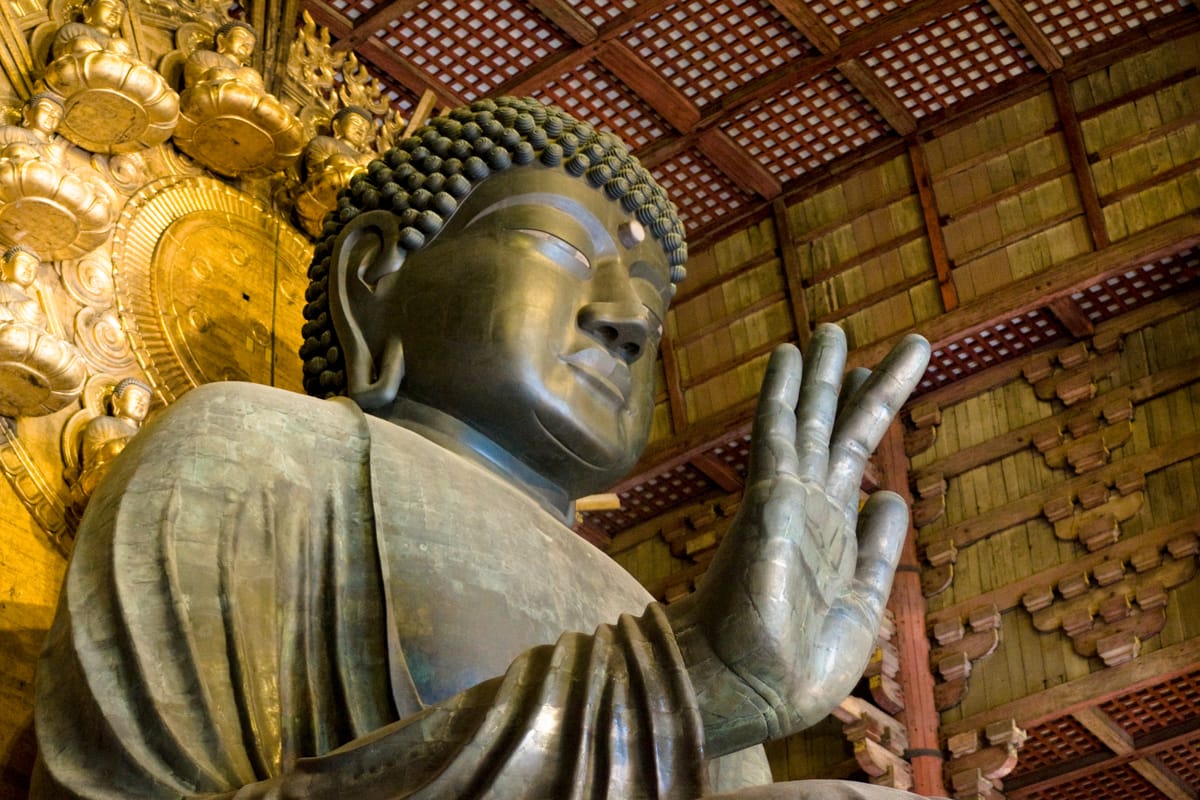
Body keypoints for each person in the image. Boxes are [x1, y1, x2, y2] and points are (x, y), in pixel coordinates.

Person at [33, 97, 936, 799]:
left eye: (652, 312)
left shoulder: (640, 611)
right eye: (559, 245)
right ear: (372, 278)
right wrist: (678, 689)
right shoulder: (258, 450)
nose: (626, 321)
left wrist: (699, 687)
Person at [68, 377, 152, 512]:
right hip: (99, 480)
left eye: (146, 401)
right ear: (116, 401)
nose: (141, 402)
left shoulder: (146, 435)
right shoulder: (103, 424)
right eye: (136, 396)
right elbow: (96, 459)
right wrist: (131, 445)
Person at [293, 106, 376, 236]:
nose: (361, 129)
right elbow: (315, 171)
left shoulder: (367, 157)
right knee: (342, 159)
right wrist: (346, 163)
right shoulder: (324, 142)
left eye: (365, 129)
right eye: (355, 123)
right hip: (322, 191)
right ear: (337, 126)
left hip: (352, 209)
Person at [183, 20, 265, 92]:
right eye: (241, 36)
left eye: (251, 44)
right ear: (221, 40)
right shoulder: (205, 56)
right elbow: (198, 82)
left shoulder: (250, 73)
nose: (246, 43)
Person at [50, 0, 134, 58]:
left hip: (110, 71)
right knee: (82, 43)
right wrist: (108, 44)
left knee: (122, 46)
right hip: (77, 66)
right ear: (87, 10)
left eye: (121, 11)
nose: (115, 12)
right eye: (108, 4)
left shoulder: (116, 41)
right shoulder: (74, 28)